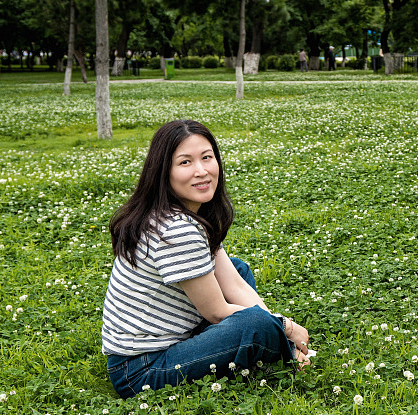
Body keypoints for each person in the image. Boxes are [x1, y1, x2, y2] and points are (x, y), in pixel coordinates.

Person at [102, 120, 310, 399]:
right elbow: (216, 312)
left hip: (170, 340)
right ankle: (286, 354)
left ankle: (269, 342)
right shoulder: (176, 230)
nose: (201, 171)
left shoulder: (183, 213)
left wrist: (277, 326)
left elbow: (235, 284)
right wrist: (285, 327)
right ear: (163, 171)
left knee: (237, 271)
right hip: (142, 370)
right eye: (185, 162)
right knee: (255, 325)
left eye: (207, 158)